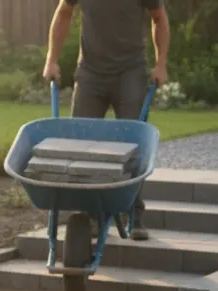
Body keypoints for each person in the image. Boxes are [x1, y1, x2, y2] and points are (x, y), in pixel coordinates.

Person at [43, 0, 169, 241]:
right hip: (91, 72)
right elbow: (63, 13)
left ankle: (134, 213)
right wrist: (51, 59)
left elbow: (159, 18)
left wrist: (160, 63)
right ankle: (91, 215)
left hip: (130, 71)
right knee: (81, 142)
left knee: (134, 142)